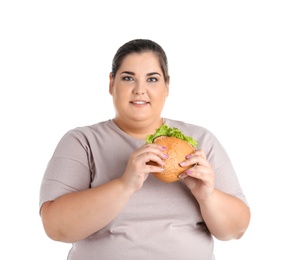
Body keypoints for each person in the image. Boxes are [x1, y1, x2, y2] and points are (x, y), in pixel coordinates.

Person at [39, 39, 250, 260]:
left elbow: (235, 230)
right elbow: (56, 228)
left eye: (152, 79)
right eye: (128, 78)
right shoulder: (82, 141)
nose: (140, 90)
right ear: (111, 84)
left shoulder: (200, 141)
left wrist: (207, 196)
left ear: (167, 86)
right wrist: (125, 184)